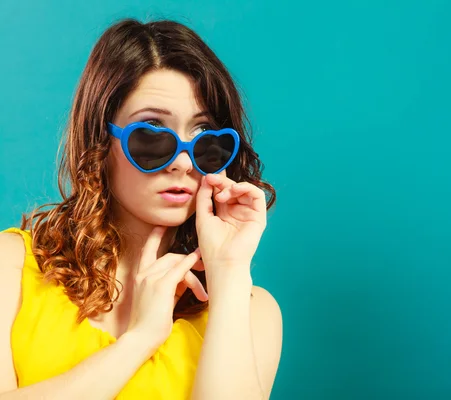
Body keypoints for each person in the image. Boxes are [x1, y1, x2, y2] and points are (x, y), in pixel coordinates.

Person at [0, 18, 282, 399]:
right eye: (152, 134)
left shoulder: (252, 313)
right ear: (101, 139)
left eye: (203, 139)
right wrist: (139, 340)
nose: (183, 163)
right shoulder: (12, 267)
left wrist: (229, 273)